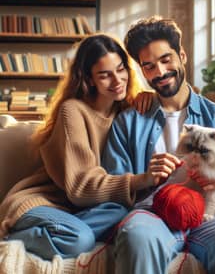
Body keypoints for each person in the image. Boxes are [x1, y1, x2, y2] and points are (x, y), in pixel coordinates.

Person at [101, 16, 215, 274]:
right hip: (151, 216)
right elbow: (112, 189)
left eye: (166, 60)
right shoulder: (128, 122)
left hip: (212, 218)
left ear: (182, 55)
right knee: (137, 238)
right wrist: (145, 178)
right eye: (148, 66)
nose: (159, 72)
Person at [0, 33, 163, 261]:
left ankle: (70, 232)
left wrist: (150, 97)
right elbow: (80, 187)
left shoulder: (126, 112)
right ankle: (14, 237)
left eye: (120, 69)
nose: (117, 81)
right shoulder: (73, 111)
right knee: (80, 239)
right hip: (45, 203)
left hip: (82, 211)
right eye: (105, 75)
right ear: (88, 79)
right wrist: (141, 179)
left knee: (121, 210)